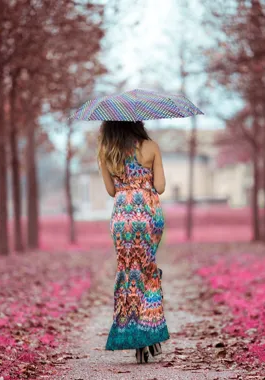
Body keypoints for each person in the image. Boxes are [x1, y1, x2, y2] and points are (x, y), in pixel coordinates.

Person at [98, 120, 169, 364]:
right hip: (148, 216)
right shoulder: (151, 147)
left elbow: (111, 191)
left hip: (122, 219)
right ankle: (150, 332)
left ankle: (132, 333)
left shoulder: (106, 152)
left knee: (128, 272)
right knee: (147, 271)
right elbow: (159, 186)